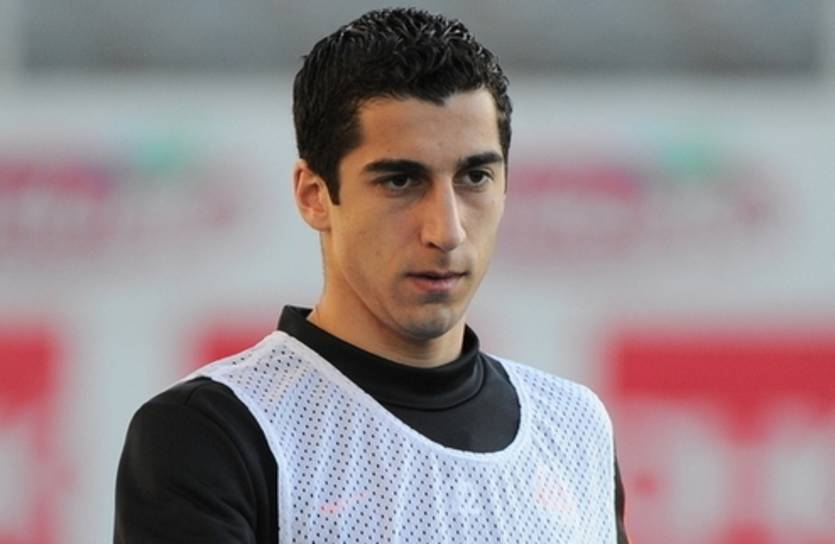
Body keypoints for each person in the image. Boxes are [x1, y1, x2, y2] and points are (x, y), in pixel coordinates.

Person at [114, 7, 629, 543]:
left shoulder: (575, 427)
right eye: (401, 181)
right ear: (314, 196)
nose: (447, 231)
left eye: (475, 176)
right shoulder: (213, 432)